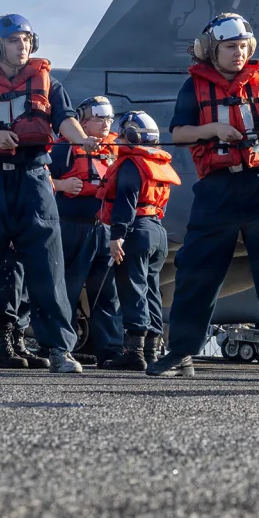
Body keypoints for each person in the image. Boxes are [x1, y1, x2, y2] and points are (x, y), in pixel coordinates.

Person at [147, 12, 259, 378]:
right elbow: (179, 132)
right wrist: (213, 128)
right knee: (198, 272)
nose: (239, 53)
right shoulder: (194, 88)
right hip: (217, 191)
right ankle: (181, 352)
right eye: (231, 47)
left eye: (244, 46)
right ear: (212, 51)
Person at [0, 14, 97, 373]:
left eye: (27, 39)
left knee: (48, 269)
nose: (22, 46)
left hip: (34, 182)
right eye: (14, 41)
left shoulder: (49, 83)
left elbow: (65, 119)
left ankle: (59, 349)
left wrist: (81, 139)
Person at [97, 111, 180, 370]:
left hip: (135, 231)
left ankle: (134, 352)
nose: (118, 138)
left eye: (122, 134)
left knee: (132, 289)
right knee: (152, 289)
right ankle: (152, 350)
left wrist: (117, 236)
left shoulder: (132, 164)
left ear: (131, 136)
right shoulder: (158, 162)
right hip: (157, 230)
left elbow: (126, 200)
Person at [50, 96, 125, 369]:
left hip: (104, 231)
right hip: (71, 226)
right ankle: (61, 348)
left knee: (107, 293)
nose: (106, 123)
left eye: (108, 118)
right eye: (99, 118)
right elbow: (37, 177)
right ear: (82, 120)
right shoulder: (64, 149)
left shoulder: (115, 150)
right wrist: (60, 184)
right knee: (66, 290)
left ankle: (112, 351)